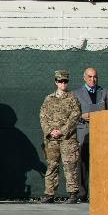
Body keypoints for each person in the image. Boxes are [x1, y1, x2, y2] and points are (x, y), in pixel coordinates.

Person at [40, 70, 82, 204]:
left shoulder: (72, 99)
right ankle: (49, 194)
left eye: (65, 81)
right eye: (60, 81)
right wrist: (50, 131)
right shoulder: (48, 99)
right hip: (52, 139)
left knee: (69, 166)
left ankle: (73, 194)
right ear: (56, 82)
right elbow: (43, 117)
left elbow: (75, 117)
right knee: (52, 165)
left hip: (67, 139)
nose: (63, 84)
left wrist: (62, 131)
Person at [72, 67, 108, 201]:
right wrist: (81, 116)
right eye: (90, 76)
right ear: (84, 77)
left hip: (101, 134)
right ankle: (82, 193)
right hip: (83, 133)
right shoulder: (75, 94)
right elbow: (71, 115)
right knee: (82, 164)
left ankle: (99, 194)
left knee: (100, 165)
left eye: (95, 77)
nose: (92, 79)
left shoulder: (105, 93)